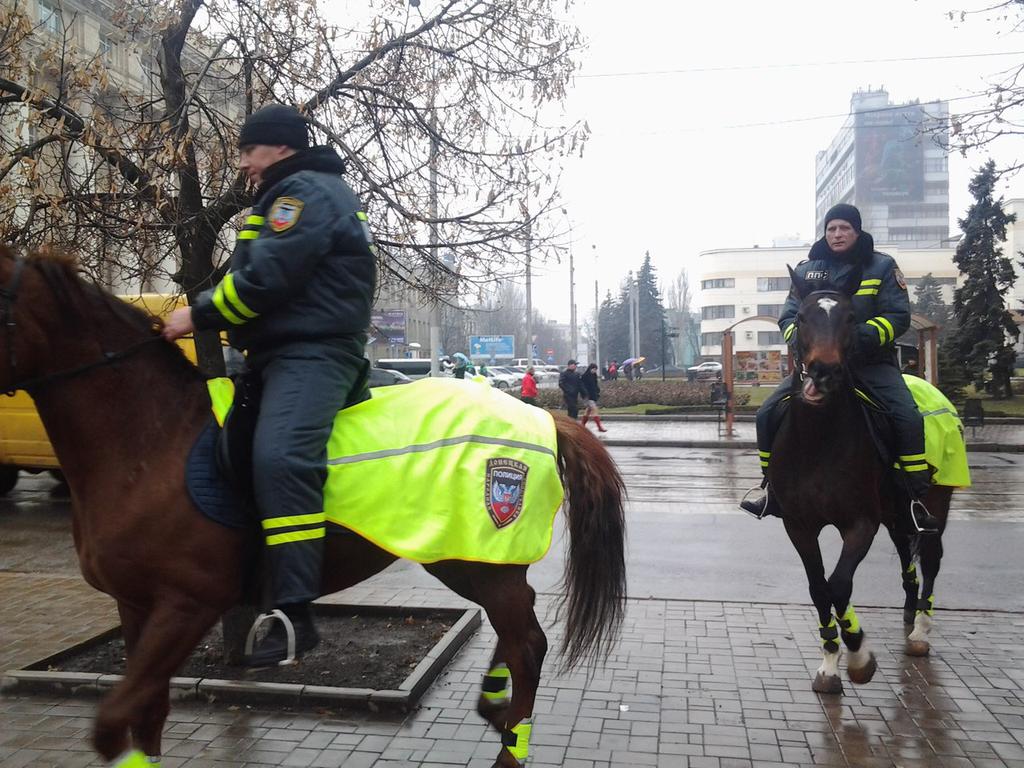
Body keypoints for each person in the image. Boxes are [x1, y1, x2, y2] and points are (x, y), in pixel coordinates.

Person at [163, 103, 377, 664]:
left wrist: (196, 314)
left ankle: (295, 614)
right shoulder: (286, 194)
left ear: (280, 146)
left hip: (313, 354)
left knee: (281, 458)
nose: (242, 163)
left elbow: (265, 280)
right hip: (275, 356)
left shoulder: (304, 194)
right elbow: (250, 277)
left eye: (248, 150)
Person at [739, 203, 939, 534]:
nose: (837, 234)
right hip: (819, 367)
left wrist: (859, 337)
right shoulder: (807, 271)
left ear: (857, 232)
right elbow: (789, 316)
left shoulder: (881, 266)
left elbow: (898, 316)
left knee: (907, 416)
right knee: (767, 414)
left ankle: (914, 497)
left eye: (845, 227)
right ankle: (771, 489)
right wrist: (802, 342)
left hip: (870, 364)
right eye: (831, 228)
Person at [580, 363, 607, 432]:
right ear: (590, 368)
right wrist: (585, 394)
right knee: (594, 409)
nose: (594, 371)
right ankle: (599, 427)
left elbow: (595, 384)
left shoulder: (594, 375)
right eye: (593, 369)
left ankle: (582, 425)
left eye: (595, 369)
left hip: (593, 395)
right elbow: (582, 386)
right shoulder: (585, 376)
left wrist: (597, 390)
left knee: (588, 411)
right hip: (587, 396)